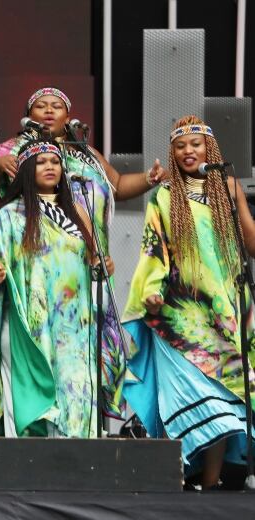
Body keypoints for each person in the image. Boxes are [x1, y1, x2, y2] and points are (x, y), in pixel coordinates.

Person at [0, 87, 169, 411]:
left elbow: (117, 184)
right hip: (37, 272)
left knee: (92, 351)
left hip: (86, 267)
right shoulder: (12, 149)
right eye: (40, 105)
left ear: (67, 116)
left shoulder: (84, 153)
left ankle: (84, 425)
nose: (48, 110)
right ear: (28, 114)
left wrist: (149, 178)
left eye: (56, 106)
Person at [122, 116, 255, 489]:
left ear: (209, 149)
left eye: (195, 144)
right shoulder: (165, 196)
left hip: (224, 309)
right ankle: (176, 481)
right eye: (180, 146)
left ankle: (209, 484)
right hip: (179, 314)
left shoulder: (228, 188)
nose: (187, 152)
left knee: (224, 395)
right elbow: (153, 247)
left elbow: (251, 244)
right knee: (189, 393)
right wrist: (150, 289)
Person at [0, 140, 115, 438]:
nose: (50, 167)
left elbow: (93, 258)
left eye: (55, 162)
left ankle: (77, 451)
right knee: (39, 381)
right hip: (34, 316)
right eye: (41, 162)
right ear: (27, 170)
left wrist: (101, 267)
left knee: (75, 382)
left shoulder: (78, 211)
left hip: (74, 323)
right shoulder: (11, 214)